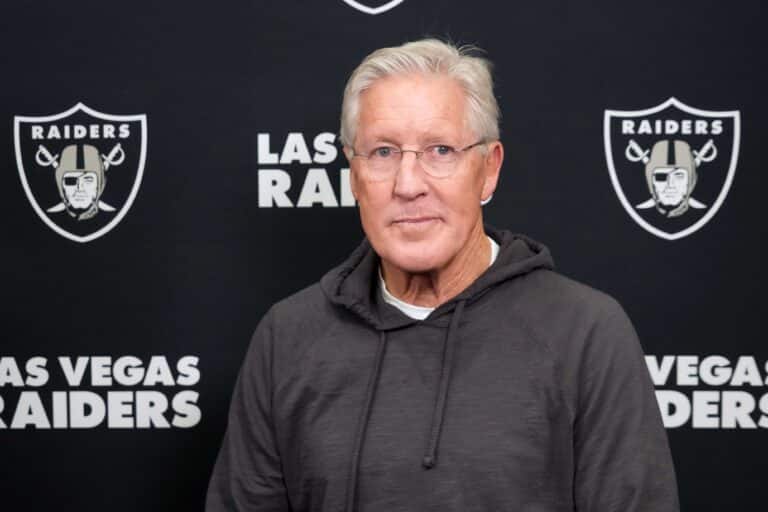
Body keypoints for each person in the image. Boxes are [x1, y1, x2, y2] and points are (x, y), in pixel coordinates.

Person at [206, 38, 680, 511]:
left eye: (440, 150)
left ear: (488, 170)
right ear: (353, 174)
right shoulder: (287, 338)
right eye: (383, 152)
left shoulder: (586, 333)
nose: (408, 185)